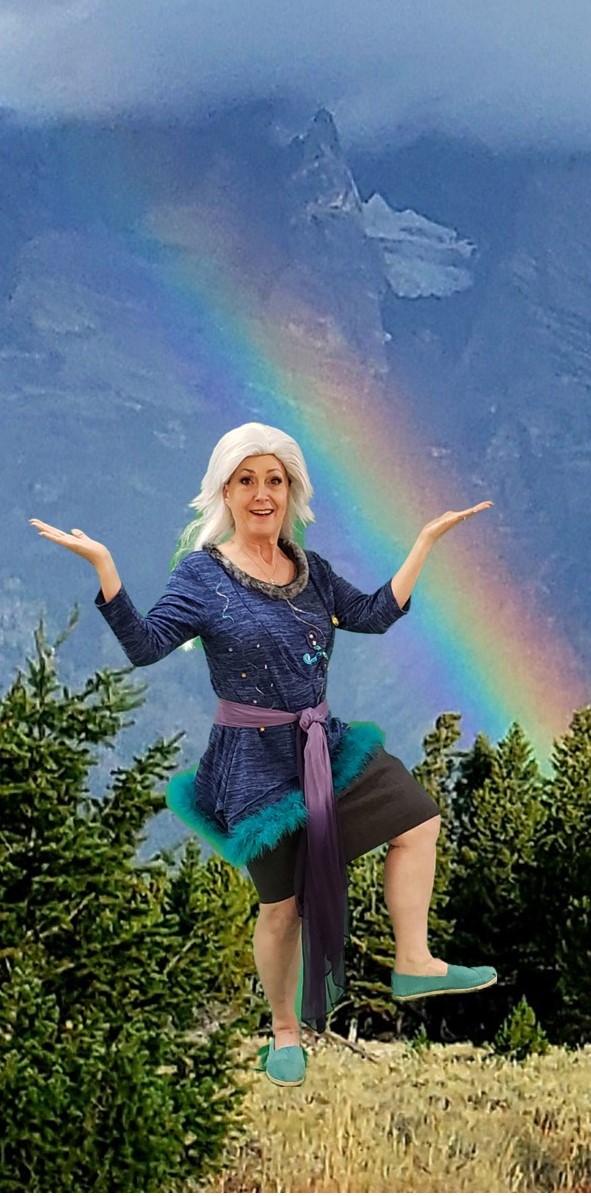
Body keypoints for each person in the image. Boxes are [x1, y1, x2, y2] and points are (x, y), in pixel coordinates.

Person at [29, 420, 497, 1088]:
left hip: (323, 745)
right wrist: (105, 567)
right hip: (253, 765)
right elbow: (146, 644)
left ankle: (414, 961)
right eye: (246, 480)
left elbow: (370, 614)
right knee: (281, 907)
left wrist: (424, 543)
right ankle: (283, 1033)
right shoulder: (202, 574)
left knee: (417, 817)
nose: (261, 493)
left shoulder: (310, 570)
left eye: (274, 480)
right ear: (225, 490)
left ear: (290, 490)